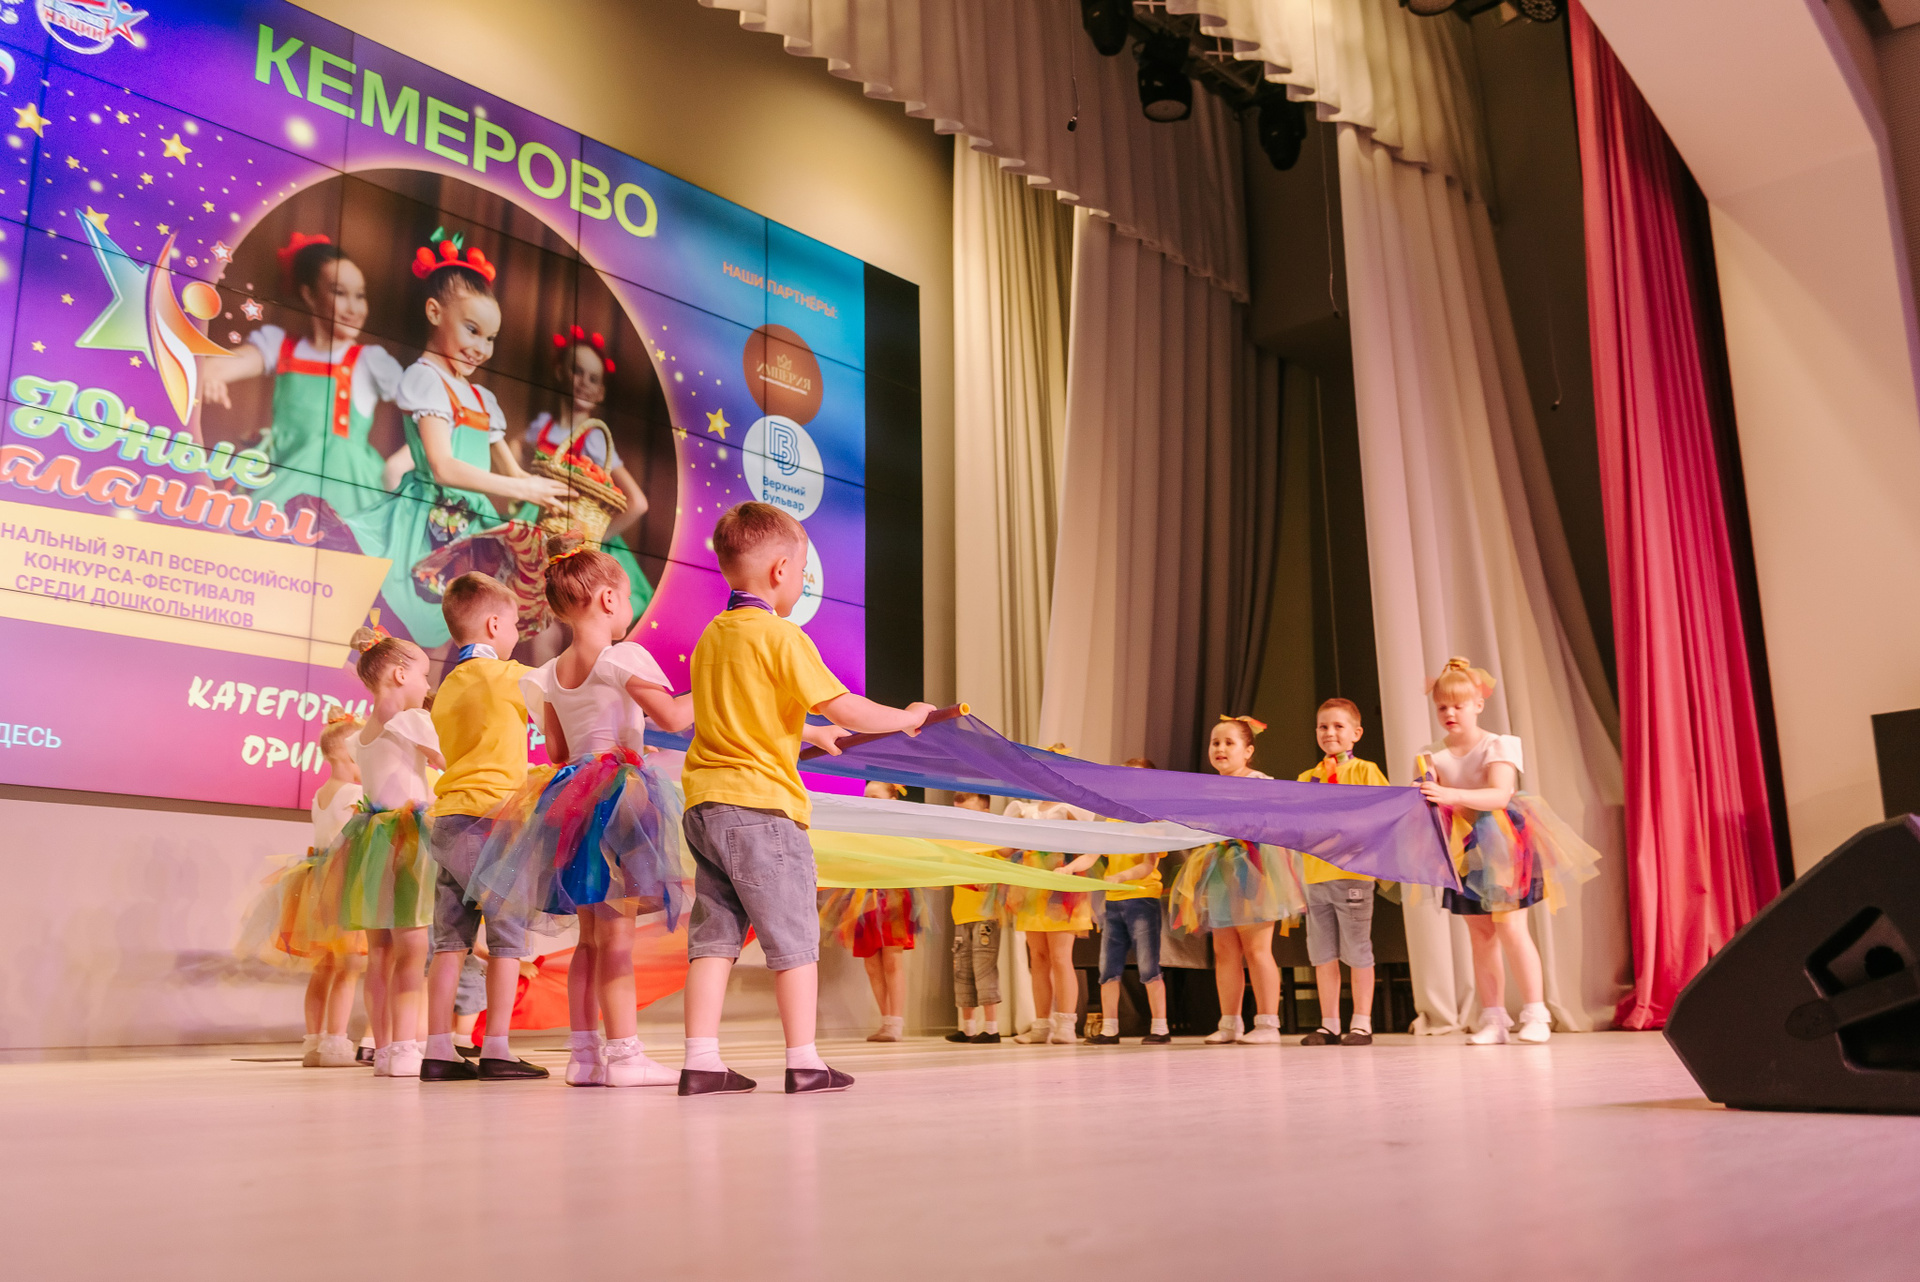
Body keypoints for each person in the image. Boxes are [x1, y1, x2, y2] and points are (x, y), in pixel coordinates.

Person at [678, 501, 934, 1096]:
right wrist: (907, 716)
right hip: (763, 810)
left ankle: (701, 1061)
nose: (801, 581)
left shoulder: (714, 636)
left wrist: (810, 734)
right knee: (794, 938)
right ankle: (803, 1061)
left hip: (706, 806)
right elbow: (848, 707)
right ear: (780, 570)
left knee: (713, 937)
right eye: (802, 571)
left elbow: (741, 720)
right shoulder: (781, 635)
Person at [463, 536, 689, 1087]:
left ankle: (585, 1057)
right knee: (617, 939)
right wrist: (720, 688)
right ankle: (626, 1056)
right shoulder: (623, 656)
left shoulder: (546, 674)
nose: (629, 607)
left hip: (571, 801)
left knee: (588, 939)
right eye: (627, 596)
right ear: (609, 600)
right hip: (619, 799)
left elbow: (560, 753)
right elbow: (674, 718)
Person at [344, 232, 567, 646]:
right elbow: (443, 467)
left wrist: (543, 492)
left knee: (466, 630)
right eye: (472, 330)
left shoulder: (482, 397)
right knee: (414, 624)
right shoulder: (425, 378)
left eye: (490, 338)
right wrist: (522, 488)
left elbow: (513, 474)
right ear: (434, 312)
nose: (481, 348)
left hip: (472, 525)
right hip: (427, 520)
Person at [1418, 658, 1601, 1046]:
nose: (1450, 713)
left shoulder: (1497, 744)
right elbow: (1429, 800)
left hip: (1502, 841)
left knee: (1511, 928)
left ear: (1477, 705)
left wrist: (1447, 793)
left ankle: (1536, 1013)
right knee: (1480, 935)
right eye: (1442, 707)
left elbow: (1499, 794)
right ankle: (1494, 1019)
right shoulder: (1432, 753)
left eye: (1458, 705)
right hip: (1462, 846)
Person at [418, 572, 548, 1081]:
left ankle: (437, 1049)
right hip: (495, 818)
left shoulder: (448, 684)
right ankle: (496, 1046)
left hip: (450, 817)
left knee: (449, 939)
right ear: (495, 625)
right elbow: (560, 698)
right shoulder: (510, 676)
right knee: (508, 936)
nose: (516, 632)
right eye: (514, 623)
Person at [202, 233, 405, 522]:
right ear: (309, 295)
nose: (354, 308)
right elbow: (212, 368)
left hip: (348, 490)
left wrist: (398, 466)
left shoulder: (370, 360)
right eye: (340, 293)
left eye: (360, 296)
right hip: (283, 485)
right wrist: (210, 377)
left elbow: (436, 413)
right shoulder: (279, 345)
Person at [318, 630, 444, 1077]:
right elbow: (446, 762)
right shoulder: (413, 720)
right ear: (400, 674)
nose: (427, 685)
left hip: (370, 842)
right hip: (407, 838)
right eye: (425, 676)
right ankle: (406, 1047)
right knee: (412, 948)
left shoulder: (361, 736)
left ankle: (387, 1047)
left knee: (381, 954)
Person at [237, 712, 368, 1067]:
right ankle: (336, 1043)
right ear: (345, 753)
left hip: (315, 882)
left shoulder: (320, 794)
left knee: (323, 969)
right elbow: (353, 841)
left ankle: (313, 1043)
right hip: (342, 883)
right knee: (347, 967)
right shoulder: (354, 793)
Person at [1169, 717, 1303, 1046]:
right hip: (1219, 869)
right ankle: (1229, 1022)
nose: (1220, 749)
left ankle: (1268, 1024)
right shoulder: (1208, 788)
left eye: (1229, 743)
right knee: (1224, 950)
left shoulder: (1260, 782)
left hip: (1254, 867)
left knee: (1256, 949)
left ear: (1248, 751)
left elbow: (1278, 821)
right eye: (1215, 743)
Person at [1293, 699, 1390, 1047]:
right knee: (1322, 953)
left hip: (1352, 875)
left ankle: (1361, 1022)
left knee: (1357, 949)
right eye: (1323, 726)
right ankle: (1329, 1024)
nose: (1329, 732)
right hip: (1315, 877)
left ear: (1356, 733)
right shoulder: (1308, 778)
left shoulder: (1365, 771)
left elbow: (1383, 813)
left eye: (1338, 726)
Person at [819, 782, 922, 1043]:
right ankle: (886, 1021)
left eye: (875, 797)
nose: (868, 801)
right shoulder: (859, 828)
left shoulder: (901, 829)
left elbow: (910, 861)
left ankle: (896, 1023)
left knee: (892, 960)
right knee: (872, 964)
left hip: (893, 897)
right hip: (862, 898)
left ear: (892, 800)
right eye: (866, 797)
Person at [1008, 758, 1097, 1047]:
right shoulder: (1025, 809)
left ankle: (1066, 1024)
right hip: (1031, 888)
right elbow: (1008, 847)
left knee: (1060, 957)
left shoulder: (1069, 808)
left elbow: (1092, 848)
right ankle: (1041, 1025)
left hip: (1060, 888)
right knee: (1038, 958)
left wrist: (1070, 869)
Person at [1086, 757, 1171, 1046]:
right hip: (1114, 902)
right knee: (1108, 968)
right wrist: (1068, 870)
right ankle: (1110, 1029)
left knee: (1148, 965)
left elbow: (1148, 865)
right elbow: (1092, 854)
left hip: (1142, 899)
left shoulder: (1153, 820)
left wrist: (1121, 876)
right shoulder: (1112, 818)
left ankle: (1160, 1027)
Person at [945, 792, 1003, 1044]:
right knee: (962, 970)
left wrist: (990, 881)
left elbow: (1006, 869)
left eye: (968, 812)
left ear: (985, 813)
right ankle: (967, 1027)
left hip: (985, 915)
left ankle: (992, 1028)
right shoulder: (955, 843)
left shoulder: (991, 841)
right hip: (961, 914)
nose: (962, 818)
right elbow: (943, 874)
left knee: (984, 969)